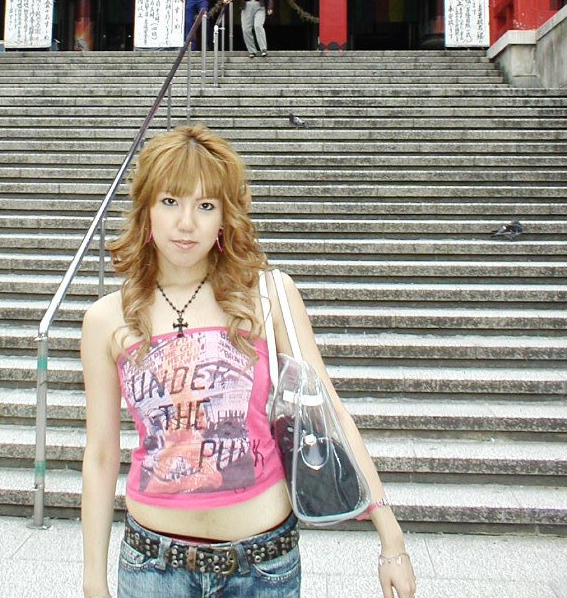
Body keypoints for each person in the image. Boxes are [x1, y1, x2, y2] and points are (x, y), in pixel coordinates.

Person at [80, 124, 417, 598]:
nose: (186, 223)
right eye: (171, 201)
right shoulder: (105, 319)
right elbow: (99, 455)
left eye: (206, 205)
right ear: (146, 209)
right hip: (153, 569)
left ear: (224, 216)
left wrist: (391, 538)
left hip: (262, 568)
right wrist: (93, 580)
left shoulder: (267, 295)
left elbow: (331, 411)